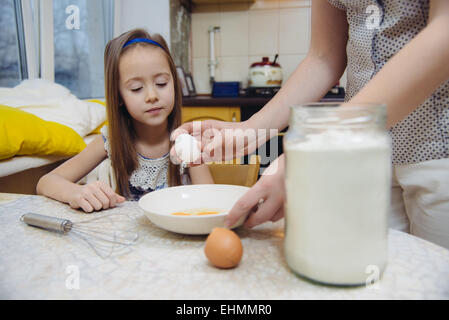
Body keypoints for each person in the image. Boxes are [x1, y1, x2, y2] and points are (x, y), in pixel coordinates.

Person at [172, 1, 449, 248]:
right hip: (366, 153)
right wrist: (249, 129)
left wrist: (315, 148)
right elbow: (323, 57)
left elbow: (443, 32)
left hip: (439, 147)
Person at [37, 29, 213, 212]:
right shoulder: (111, 141)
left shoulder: (187, 142)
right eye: (137, 88)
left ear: (175, 85)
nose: (152, 96)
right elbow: (45, 182)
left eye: (161, 83)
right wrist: (75, 192)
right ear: (119, 96)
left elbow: (211, 201)